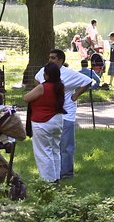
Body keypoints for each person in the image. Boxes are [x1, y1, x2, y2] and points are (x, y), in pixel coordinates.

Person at [34, 49, 92, 180]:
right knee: (52, 147)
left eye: (53, 58)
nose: (50, 60)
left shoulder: (69, 74)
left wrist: (75, 95)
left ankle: (66, 173)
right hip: (51, 115)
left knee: (65, 146)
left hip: (66, 115)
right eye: (49, 57)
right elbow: (36, 79)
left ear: (61, 60)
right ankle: (54, 173)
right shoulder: (45, 71)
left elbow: (88, 81)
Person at [24, 61, 67, 181]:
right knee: (55, 150)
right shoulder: (60, 86)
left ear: (46, 75)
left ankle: (48, 181)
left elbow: (26, 98)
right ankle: (56, 177)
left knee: (43, 152)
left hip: (42, 121)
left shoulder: (42, 87)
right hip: (57, 119)